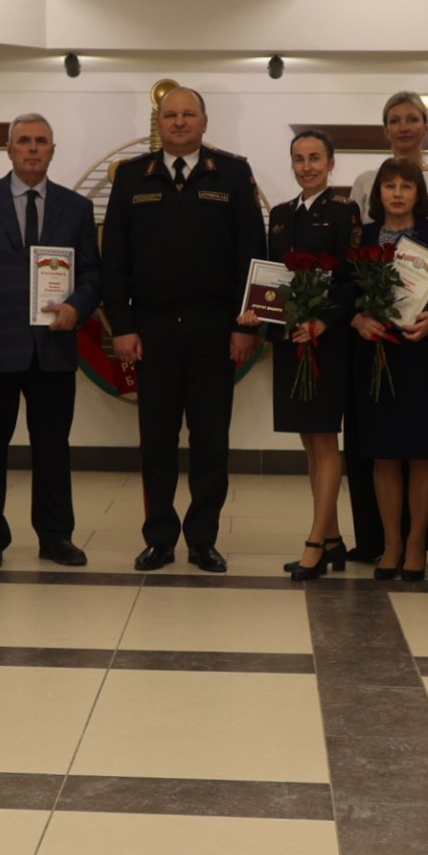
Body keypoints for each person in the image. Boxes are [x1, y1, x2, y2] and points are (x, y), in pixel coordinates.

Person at [102, 85, 264, 572]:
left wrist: (246, 325)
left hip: (215, 327)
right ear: (160, 123)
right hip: (151, 329)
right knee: (156, 440)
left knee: (211, 439)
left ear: (204, 121)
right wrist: (122, 325)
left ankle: (202, 539)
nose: (179, 122)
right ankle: (159, 538)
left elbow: (252, 255)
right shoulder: (132, 176)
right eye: (170, 115)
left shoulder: (232, 174)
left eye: (188, 114)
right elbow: (114, 261)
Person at [0, 113, 100, 569]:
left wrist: (77, 307)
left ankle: (55, 536)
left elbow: (92, 274)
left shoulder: (76, 207)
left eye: (41, 141)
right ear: (9, 150)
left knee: (53, 447)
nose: (33, 148)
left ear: (52, 150)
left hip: (53, 346)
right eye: (25, 141)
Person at [347, 91, 428, 562]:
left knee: (421, 451)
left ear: (419, 193)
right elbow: (345, 288)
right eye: (388, 187)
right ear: (377, 194)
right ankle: (390, 542)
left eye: (405, 187)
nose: (396, 193)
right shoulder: (364, 237)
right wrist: (357, 317)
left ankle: (416, 544)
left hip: (424, 354)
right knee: (383, 452)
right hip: (377, 354)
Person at [253, 129, 357, 580]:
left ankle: (315, 541)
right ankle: (332, 539)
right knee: (309, 441)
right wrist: (260, 312)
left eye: (316, 158)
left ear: (331, 163)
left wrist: (323, 321)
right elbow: (272, 277)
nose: (307, 166)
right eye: (299, 158)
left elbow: (352, 279)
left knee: (325, 439)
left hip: (326, 341)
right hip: (290, 339)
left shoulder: (344, 211)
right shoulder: (280, 215)